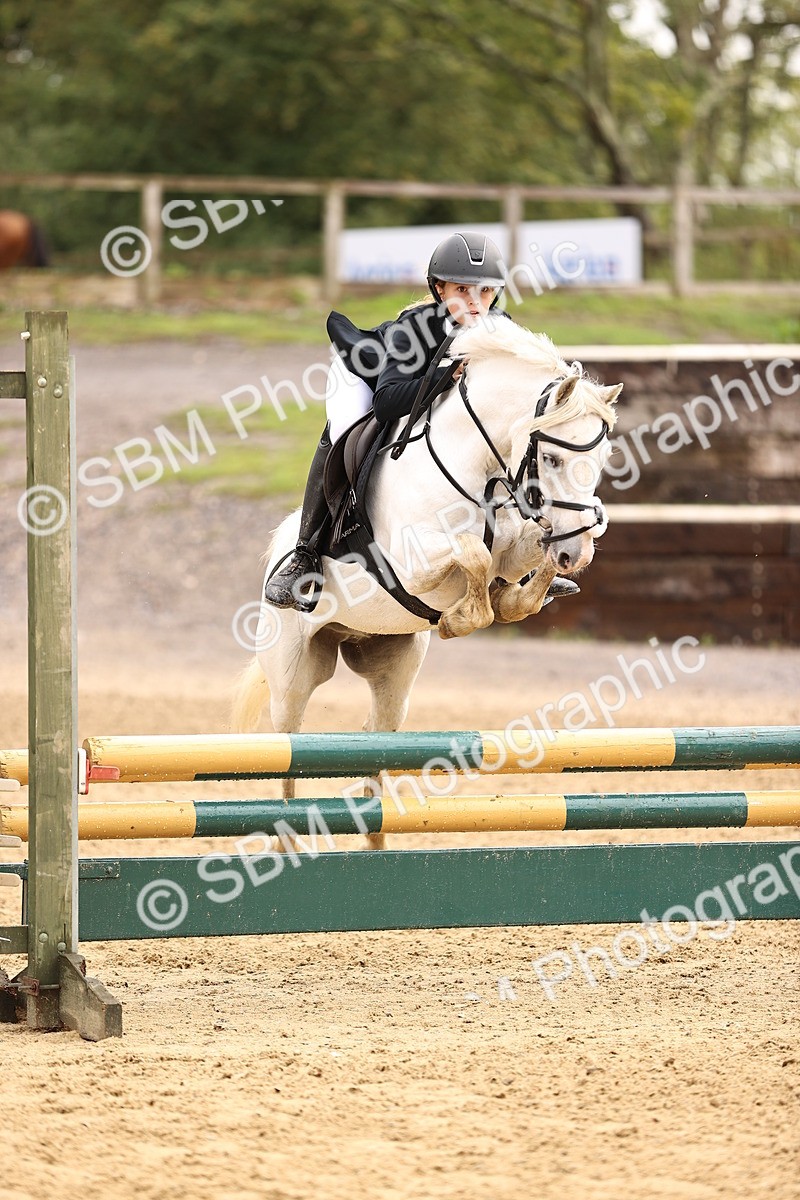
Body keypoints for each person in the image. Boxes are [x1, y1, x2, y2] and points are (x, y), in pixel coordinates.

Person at [264, 231, 576, 612]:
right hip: (366, 375)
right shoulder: (412, 330)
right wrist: (444, 376)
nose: (476, 303)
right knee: (345, 430)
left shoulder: (498, 326)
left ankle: (519, 561)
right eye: (463, 289)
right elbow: (386, 402)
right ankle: (305, 554)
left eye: (486, 291)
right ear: (440, 288)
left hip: (423, 390)